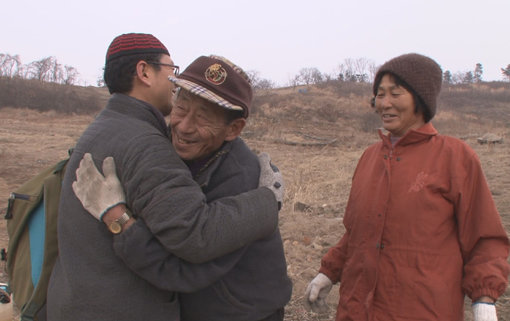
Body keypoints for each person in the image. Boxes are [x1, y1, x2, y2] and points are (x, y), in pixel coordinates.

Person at [47, 33, 283, 321]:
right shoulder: (149, 142)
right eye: (181, 107)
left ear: (233, 129)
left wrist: (267, 201)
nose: (182, 126)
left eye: (203, 117)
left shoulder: (241, 176)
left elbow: (184, 269)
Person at [304, 53, 510, 321]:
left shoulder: (455, 157)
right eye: (379, 94)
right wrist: (328, 272)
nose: (384, 103)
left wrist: (484, 299)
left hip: (422, 310)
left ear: (420, 100)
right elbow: (357, 234)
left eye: (395, 93)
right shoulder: (369, 157)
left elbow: (484, 238)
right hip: (356, 310)